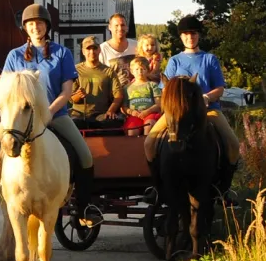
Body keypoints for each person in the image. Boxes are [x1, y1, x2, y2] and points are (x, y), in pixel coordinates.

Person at [0, 4, 102, 227]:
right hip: (19, 117)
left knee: (85, 155)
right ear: (25, 28)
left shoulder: (62, 53)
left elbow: (67, 92)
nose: (35, 27)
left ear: (46, 26)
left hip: (54, 114)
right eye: (30, 24)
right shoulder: (14, 55)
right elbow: (6, 90)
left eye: (39, 23)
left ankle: (84, 208)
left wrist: (47, 113)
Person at [144, 15, 240, 185]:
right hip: (177, 113)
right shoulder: (174, 61)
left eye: (193, 33)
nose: (190, 37)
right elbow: (165, 88)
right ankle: (157, 187)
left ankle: (225, 189)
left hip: (208, 110)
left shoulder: (210, 59)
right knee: (149, 142)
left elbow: (220, 88)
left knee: (233, 144)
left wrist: (206, 97)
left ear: (198, 36)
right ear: (181, 37)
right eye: (186, 34)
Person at [71, 35, 126, 126]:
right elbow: (71, 99)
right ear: (83, 51)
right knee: (74, 124)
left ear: (99, 50)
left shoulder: (109, 71)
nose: (92, 52)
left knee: (113, 122)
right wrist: (78, 95)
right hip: (79, 114)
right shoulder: (75, 70)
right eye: (88, 49)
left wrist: (110, 111)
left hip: (101, 114)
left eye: (95, 48)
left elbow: (118, 95)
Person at [124, 56, 163, 127]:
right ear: (132, 71)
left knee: (149, 125)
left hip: (150, 114)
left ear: (148, 70)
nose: (140, 71)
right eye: (137, 69)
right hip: (135, 115)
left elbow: (159, 104)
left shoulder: (152, 85)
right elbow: (124, 107)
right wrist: (132, 112)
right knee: (132, 131)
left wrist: (147, 112)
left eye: (143, 69)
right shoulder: (127, 88)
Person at [99, 13, 136, 78]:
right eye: (116, 25)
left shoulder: (136, 45)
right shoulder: (102, 49)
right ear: (109, 27)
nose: (120, 28)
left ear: (127, 27)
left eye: (122, 25)